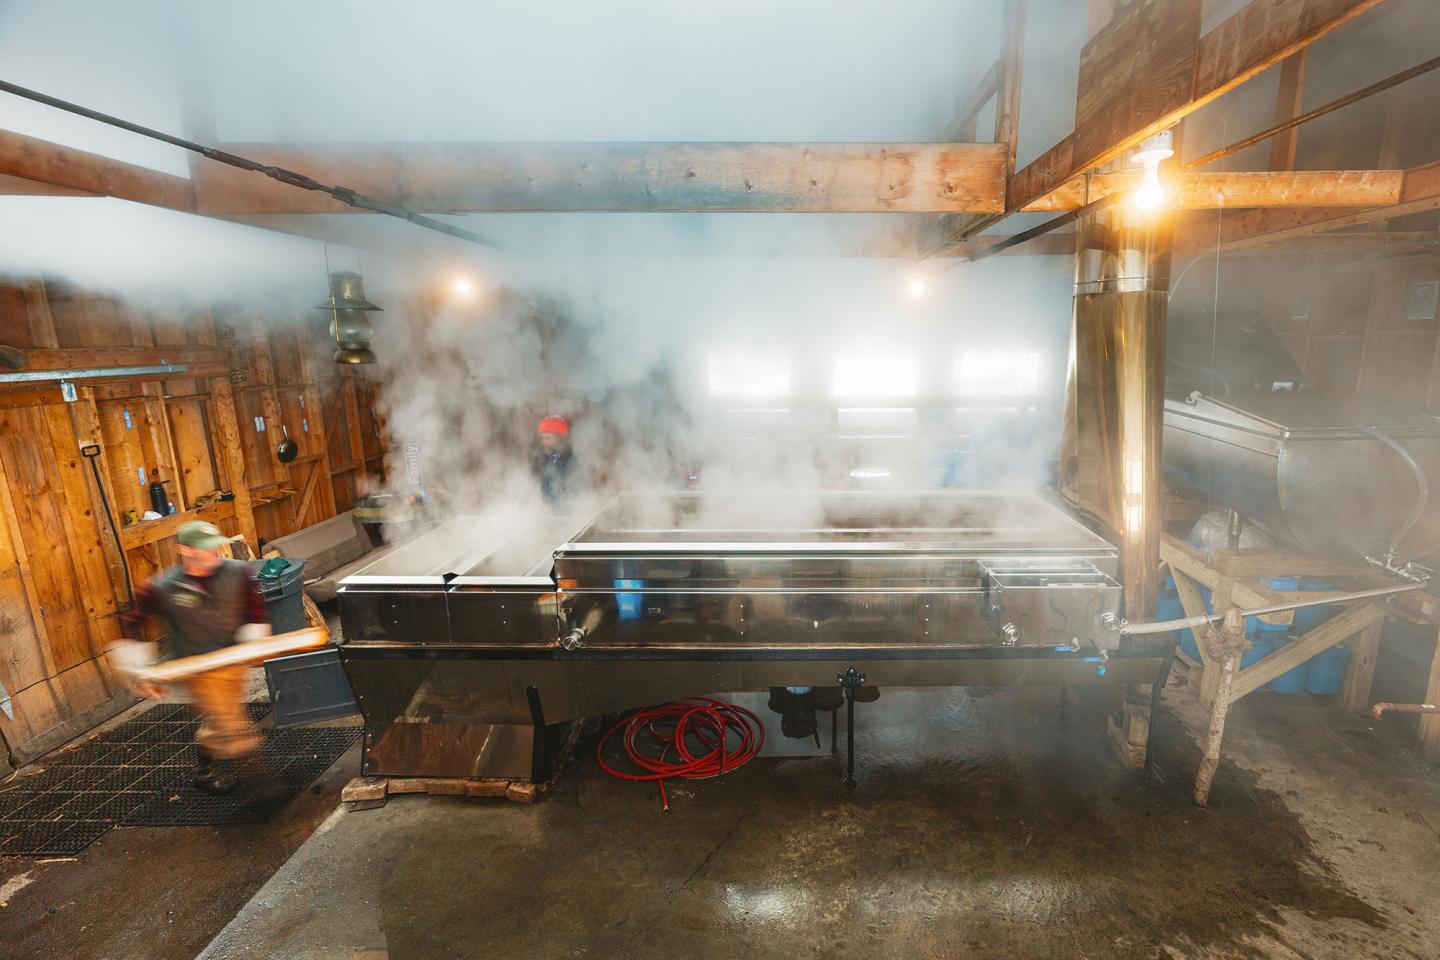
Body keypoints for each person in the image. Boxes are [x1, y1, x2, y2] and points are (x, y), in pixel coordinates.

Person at [118, 520, 272, 794]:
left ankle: (205, 769)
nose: (213, 554)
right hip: (194, 665)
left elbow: (256, 612)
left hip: (229, 658)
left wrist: (255, 644)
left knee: (221, 714)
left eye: (214, 547)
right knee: (226, 718)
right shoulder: (163, 587)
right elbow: (132, 621)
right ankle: (260, 782)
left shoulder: (239, 573)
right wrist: (140, 667)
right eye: (204, 549)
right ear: (183, 550)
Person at [534, 414, 580, 507]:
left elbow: (575, 494)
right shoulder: (548, 458)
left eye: (547, 438)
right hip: (548, 513)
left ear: (560, 438)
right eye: (542, 438)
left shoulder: (572, 462)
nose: (543, 442)